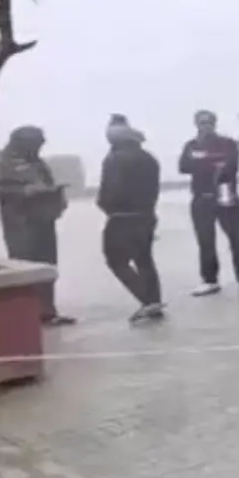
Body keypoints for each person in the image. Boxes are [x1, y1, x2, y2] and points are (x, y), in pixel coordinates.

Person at [0, 125, 75, 326]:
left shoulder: (37, 162)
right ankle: (26, 314)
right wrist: (25, 191)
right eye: (35, 144)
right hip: (20, 223)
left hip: (44, 221)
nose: (39, 148)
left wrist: (55, 195)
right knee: (24, 267)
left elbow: (47, 183)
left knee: (47, 267)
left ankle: (47, 312)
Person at [179, 110, 239, 296]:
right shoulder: (191, 145)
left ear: (214, 124)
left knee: (237, 240)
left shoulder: (227, 144)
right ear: (196, 125)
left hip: (226, 196)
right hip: (201, 198)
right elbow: (183, 167)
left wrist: (202, 161)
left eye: (209, 122)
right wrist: (212, 163)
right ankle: (210, 280)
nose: (205, 126)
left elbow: (231, 167)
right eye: (202, 123)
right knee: (205, 241)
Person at [98, 115, 164, 323]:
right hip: (146, 215)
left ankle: (147, 300)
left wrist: (105, 205)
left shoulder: (115, 159)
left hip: (121, 217)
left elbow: (110, 190)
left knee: (116, 260)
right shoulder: (148, 157)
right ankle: (154, 301)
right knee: (144, 260)